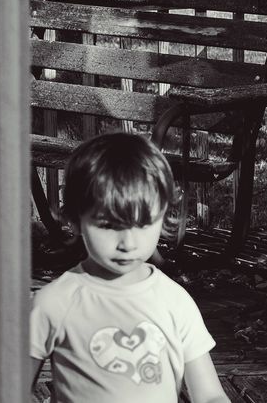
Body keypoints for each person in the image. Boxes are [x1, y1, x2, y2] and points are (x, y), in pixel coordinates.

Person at [30, 133, 229, 403]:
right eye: (109, 226)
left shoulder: (174, 302)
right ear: (76, 220)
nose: (128, 242)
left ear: (162, 216)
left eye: (143, 223)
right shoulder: (54, 304)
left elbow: (209, 396)